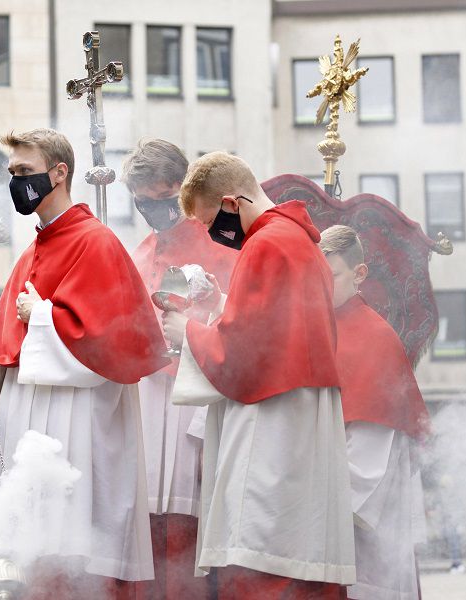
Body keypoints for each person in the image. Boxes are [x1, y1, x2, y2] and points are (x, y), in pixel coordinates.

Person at [0, 127, 168, 598]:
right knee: (29, 561)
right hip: (28, 424)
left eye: (25, 171)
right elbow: (12, 353)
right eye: (12, 173)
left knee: (69, 565)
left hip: (74, 425)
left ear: (59, 173)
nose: (17, 181)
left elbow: (115, 347)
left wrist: (41, 316)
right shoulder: (33, 250)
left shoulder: (97, 242)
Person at [163, 152, 355, 598]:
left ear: (233, 202)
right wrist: (222, 304)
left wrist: (186, 331)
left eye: (213, 221)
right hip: (297, 409)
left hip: (274, 421)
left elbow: (241, 355)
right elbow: (274, 326)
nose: (215, 235)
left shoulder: (265, 244)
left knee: (261, 560)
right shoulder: (295, 240)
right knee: (297, 559)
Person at [122, 138, 237, 599]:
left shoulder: (223, 245)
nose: (155, 212)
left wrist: (194, 324)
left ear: (184, 191)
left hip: (197, 403)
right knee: (146, 521)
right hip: (147, 402)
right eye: (143, 204)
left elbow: (241, 326)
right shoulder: (139, 254)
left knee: (194, 522)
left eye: (164, 200)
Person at [319, 224, 430, 600]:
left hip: (360, 516)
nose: (319, 286)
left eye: (331, 276)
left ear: (359, 273)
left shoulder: (376, 338)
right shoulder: (314, 327)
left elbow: (365, 463)